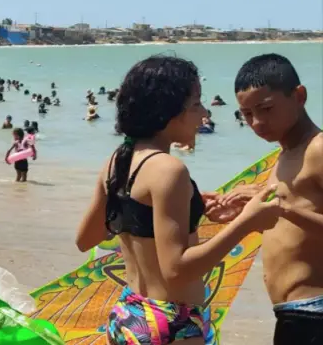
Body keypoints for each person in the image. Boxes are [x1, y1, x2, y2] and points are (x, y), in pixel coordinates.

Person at [74, 56, 280, 345]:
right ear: (168, 113)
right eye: (196, 104)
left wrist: (190, 208)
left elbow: (87, 238)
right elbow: (177, 270)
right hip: (171, 322)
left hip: (129, 314)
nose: (204, 113)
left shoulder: (116, 161)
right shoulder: (169, 170)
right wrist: (247, 222)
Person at [218, 54, 323, 344]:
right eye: (247, 114)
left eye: (266, 109)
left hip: (315, 313)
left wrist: (285, 208)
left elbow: (291, 211)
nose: (257, 122)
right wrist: (242, 212)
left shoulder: (318, 149)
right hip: (292, 315)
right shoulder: (284, 156)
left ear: (299, 95)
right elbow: (295, 231)